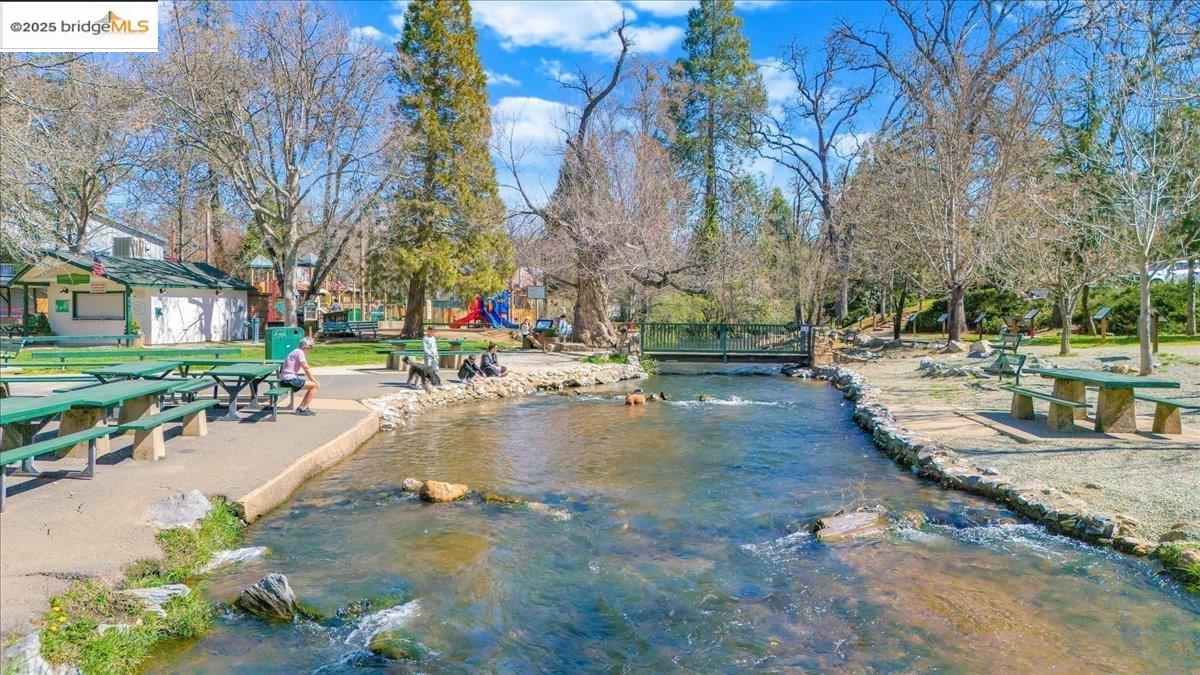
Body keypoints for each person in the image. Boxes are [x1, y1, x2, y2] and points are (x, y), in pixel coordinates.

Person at [279, 336, 319, 416]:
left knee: (313, 386)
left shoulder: (296, 351)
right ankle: (303, 408)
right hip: (289, 380)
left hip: (286, 380)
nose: (309, 350)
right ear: (306, 347)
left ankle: (302, 407)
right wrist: (313, 380)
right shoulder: (299, 352)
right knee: (315, 386)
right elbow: (305, 367)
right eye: (310, 348)